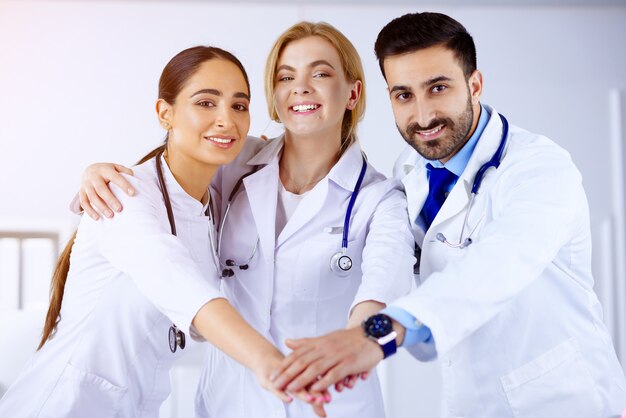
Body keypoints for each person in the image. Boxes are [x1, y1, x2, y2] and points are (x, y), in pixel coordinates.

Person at [269, 12, 626, 418]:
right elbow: (391, 262)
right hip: (473, 403)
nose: (423, 116)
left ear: (475, 84)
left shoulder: (538, 168)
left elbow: (498, 264)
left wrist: (378, 335)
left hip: (567, 403)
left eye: (437, 88)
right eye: (403, 94)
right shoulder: (410, 171)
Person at [73, 22, 415, 417]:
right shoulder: (233, 162)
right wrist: (97, 174)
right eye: (286, 77)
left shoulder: (381, 199)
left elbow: (385, 286)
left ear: (353, 92)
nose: (300, 87)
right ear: (275, 95)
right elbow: (164, 178)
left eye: (320, 73)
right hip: (229, 403)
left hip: (329, 404)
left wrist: (360, 340)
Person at [0, 45, 303, 417]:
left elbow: (295, 149)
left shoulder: (212, 206)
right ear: (165, 114)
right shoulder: (123, 196)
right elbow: (177, 281)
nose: (226, 119)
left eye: (239, 106)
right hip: (60, 406)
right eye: (206, 103)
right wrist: (271, 364)